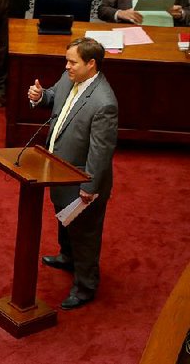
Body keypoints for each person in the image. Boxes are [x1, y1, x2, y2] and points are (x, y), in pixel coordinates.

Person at [27, 37, 118, 310]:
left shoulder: (104, 103)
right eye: (66, 60)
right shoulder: (71, 78)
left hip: (82, 179)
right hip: (58, 170)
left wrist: (89, 186)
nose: (66, 66)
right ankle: (67, 256)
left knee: (85, 234)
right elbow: (56, 96)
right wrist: (41, 96)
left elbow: (101, 152)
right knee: (64, 220)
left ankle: (85, 287)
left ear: (91, 64)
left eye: (72, 62)